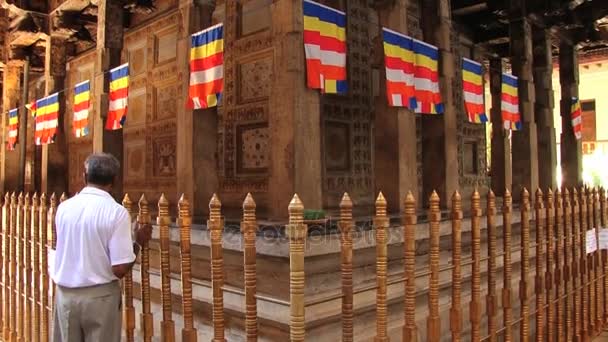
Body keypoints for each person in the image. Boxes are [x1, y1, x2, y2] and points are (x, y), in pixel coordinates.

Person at [50, 153, 152, 342]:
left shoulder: (64, 208)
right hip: (100, 299)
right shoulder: (116, 213)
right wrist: (138, 243)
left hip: (65, 296)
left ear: (84, 176)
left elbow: (58, 247)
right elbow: (120, 268)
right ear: (114, 180)